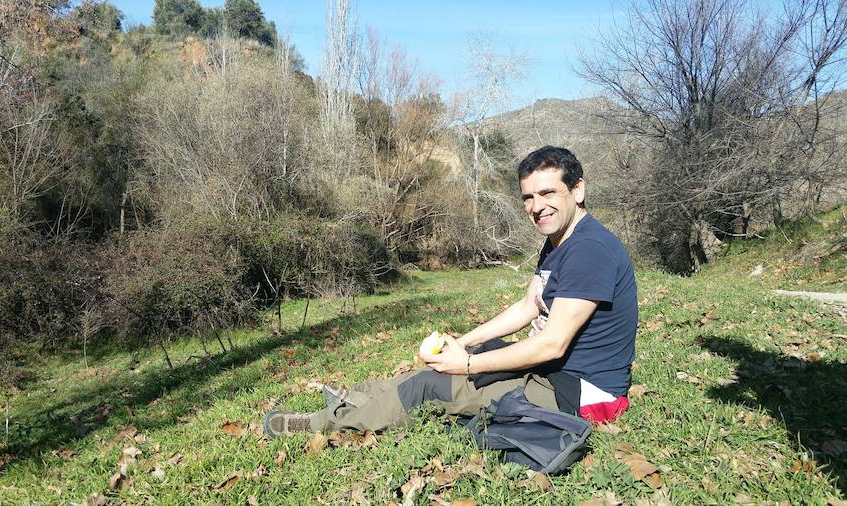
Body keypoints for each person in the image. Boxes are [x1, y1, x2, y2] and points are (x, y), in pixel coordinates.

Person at [264, 146, 638, 437]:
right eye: (528, 197)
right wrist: (463, 342)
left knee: (434, 386)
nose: (536, 207)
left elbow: (551, 345)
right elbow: (528, 305)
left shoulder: (590, 250)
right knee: (458, 361)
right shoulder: (560, 240)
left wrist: (469, 364)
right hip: (553, 374)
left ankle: (316, 423)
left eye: (547, 193)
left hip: (579, 395)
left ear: (578, 189)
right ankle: (360, 398)